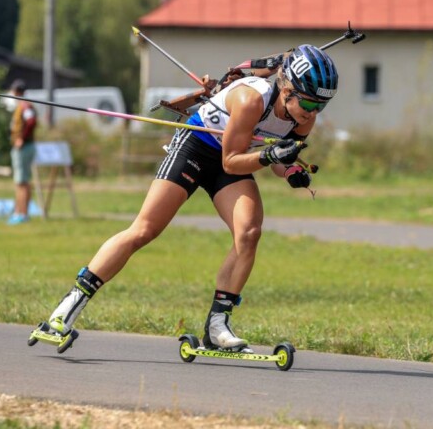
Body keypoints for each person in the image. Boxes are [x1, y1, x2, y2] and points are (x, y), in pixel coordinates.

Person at [41, 44, 338, 351]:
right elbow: (233, 161)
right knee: (144, 230)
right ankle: (66, 309)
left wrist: (290, 170)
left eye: (321, 106)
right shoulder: (251, 99)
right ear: (287, 88)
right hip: (196, 147)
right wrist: (271, 156)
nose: (312, 112)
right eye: (308, 102)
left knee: (249, 232)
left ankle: (217, 325)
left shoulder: (304, 119)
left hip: (231, 158)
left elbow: (278, 160)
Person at [6, 79, 38, 225]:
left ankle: (21, 214)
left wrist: (21, 139)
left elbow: (31, 121)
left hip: (24, 147)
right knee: (24, 181)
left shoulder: (24, 105)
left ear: (17, 92)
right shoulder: (23, 105)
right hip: (27, 146)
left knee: (21, 183)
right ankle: (22, 213)